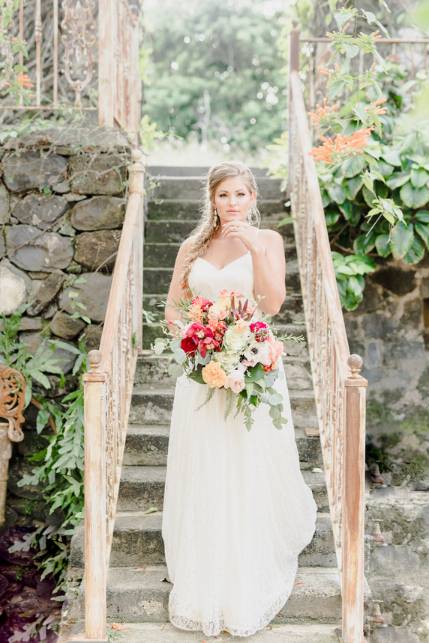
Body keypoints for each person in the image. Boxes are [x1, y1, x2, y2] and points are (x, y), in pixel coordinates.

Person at [161, 161, 317, 636]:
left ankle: (250, 561)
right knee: (207, 465)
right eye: (223, 195)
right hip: (204, 375)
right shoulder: (193, 247)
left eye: (240, 195)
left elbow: (271, 305)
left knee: (250, 462)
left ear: (253, 198)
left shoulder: (268, 240)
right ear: (211, 199)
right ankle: (207, 567)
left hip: (254, 366)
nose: (231, 203)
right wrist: (198, 338)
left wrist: (252, 246)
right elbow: (172, 307)